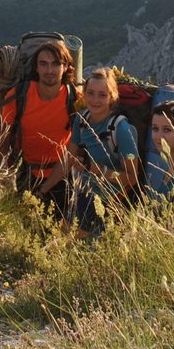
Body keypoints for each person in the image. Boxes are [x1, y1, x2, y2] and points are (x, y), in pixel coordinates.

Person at [0, 40, 75, 219]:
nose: (49, 71)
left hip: (61, 176)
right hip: (25, 173)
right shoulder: (18, 95)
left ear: (66, 67)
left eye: (56, 64)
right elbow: (4, 137)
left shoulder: (76, 99)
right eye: (43, 64)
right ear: (36, 68)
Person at [70, 68, 140, 236]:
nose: (95, 100)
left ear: (112, 97)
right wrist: (43, 190)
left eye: (102, 95)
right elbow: (68, 158)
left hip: (111, 199)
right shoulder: (81, 119)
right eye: (90, 93)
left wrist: (98, 170)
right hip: (82, 191)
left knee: (80, 241)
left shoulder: (120, 129)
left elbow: (132, 177)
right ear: (84, 94)